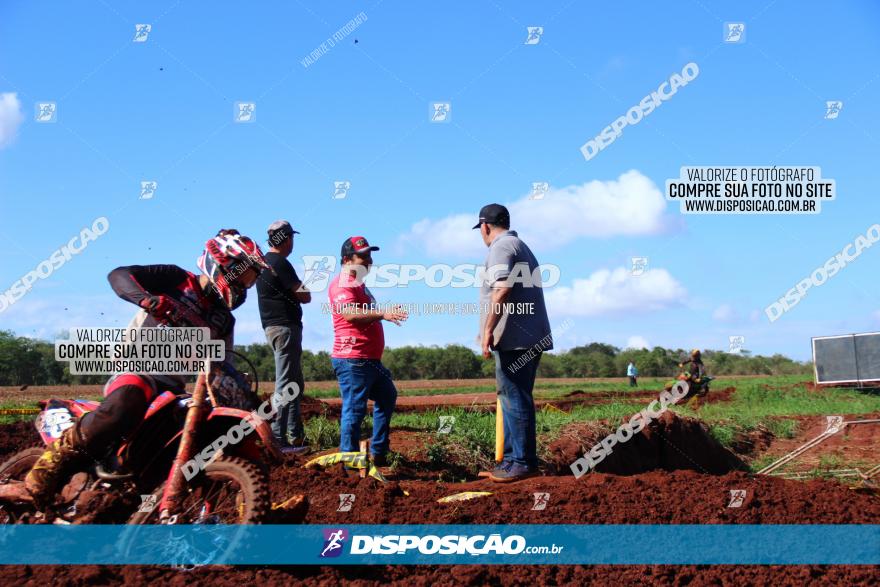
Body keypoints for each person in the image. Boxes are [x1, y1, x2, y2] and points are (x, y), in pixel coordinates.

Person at [24, 230, 270, 506]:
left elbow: (221, 366)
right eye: (244, 276)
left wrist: (243, 396)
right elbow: (119, 275)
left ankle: (254, 510)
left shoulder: (223, 320)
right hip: (135, 368)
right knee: (131, 396)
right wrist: (146, 299)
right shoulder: (177, 279)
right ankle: (48, 465)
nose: (246, 286)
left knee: (207, 429)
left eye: (251, 280)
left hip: (173, 388)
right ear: (222, 264)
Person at [474, 204, 552, 483]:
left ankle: (522, 462)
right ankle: (509, 461)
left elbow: (502, 288)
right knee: (511, 397)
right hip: (526, 335)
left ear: (485, 227)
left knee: (515, 397)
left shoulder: (501, 247)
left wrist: (487, 330)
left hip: (516, 339)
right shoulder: (520, 245)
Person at [328, 236, 408, 467]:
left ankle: (379, 451)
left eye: (369, 256)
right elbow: (350, 314)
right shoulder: (342, 284)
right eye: (362, 256)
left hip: (369, 359)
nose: (368, 260)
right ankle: (349, 462)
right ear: (346, 260)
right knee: (354, 409)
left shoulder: (358, 284)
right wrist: (383, 314)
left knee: (387, 395)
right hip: (352, 358)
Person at [256, 220, 312, 455]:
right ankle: (278, 439)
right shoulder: (280, 262)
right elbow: (304, 296)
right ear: (287, 239)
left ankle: (294, 434)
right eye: (292, 238)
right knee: (284, 384)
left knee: (294, 383)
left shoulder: (262, 263)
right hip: (285, 328)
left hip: (272, 327)